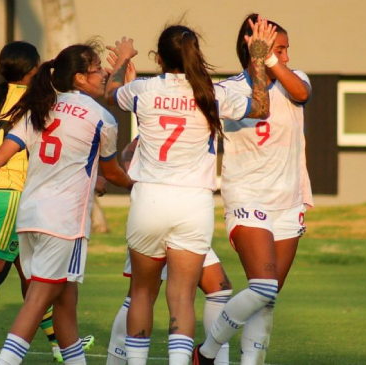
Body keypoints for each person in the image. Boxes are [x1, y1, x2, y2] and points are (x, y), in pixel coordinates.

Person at [104, 17, 276, 365]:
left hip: (150, 199)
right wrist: (257, 57)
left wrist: (123, 59)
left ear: (159, 57)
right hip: (193, 204)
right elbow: (261, 106)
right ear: (196, 55)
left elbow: (110, 94)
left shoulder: (144, 90)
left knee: (141, 293)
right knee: (181, 297)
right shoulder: (211, 93)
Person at [0, 42, 133, 365]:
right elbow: (113, 172)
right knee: (37, 301)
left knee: (65, 300)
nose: (102, 74)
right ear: (79, 78)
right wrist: (143, 182)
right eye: (96, 70)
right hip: (63, 223)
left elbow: (1, 154)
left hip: (29, 216)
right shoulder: (101, 118)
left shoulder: (40, 108)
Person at [193, 14, 313, 365]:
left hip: (288, 202)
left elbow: (302, 92)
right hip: (246, 197)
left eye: (287, 51)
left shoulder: (295, 82)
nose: (286, 57)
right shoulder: (228, 90)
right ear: (253, 47)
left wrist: (270, 59)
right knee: (263, 286)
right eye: (279, 49)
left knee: (268, 296)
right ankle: (207, 352)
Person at [106, 138, 233, 365]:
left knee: (219, 288)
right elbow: (129, 150)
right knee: (142, 293)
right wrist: (136, 181)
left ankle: (210, 358)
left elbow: (128, 150)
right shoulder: (194, 111)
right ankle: (115, 359)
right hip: (169, 208)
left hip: (179, 213)